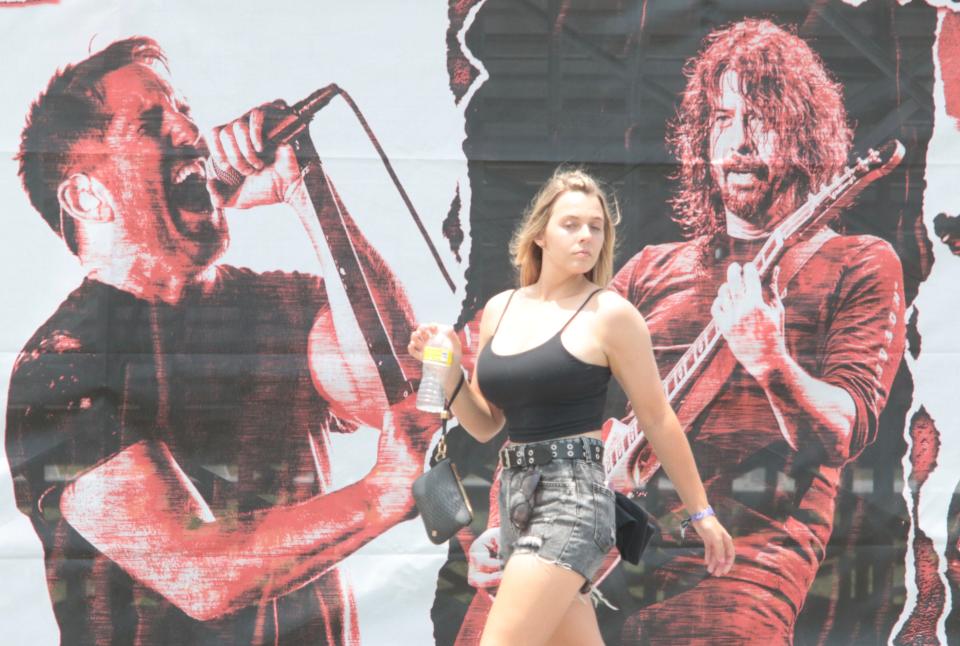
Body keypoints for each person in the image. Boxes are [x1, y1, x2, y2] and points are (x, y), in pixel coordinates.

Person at [6, 37, 429, 644]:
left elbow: (394, 392)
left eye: (183, 110)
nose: (191, 130)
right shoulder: (61, 367)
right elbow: (198, 572)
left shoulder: (286, 302)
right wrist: (379, 497)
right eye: (152, 123)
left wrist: (306, 190)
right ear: (85, 197)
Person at [607, 19, 907, 644]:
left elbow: (841, 432)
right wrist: (511, 521)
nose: (739, 142)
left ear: (805, 134)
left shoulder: (858, 263)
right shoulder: (649, 268)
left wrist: (770, 360)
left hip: (734, 577)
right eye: (722, 119)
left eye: (762, 119)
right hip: (594, 549)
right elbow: (554, 400)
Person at [408, 168, 735, 646]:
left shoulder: (611, 313)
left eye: (596, 226)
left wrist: (700, 512)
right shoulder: (503, 307)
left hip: (573, 500)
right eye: (572, 224)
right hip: (515, 498)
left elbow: (658, 419)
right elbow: (484, 425)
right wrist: (449, 369)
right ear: (540, 233)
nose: (587, 236)